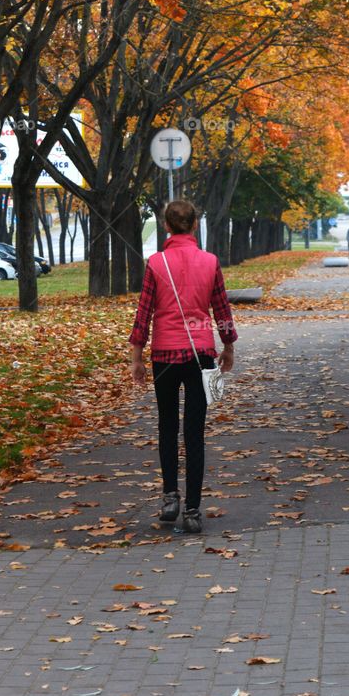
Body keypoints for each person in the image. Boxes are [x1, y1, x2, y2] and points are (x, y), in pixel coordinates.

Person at [129, 199, 237, 535]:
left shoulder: (156, 263)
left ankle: (169, 497)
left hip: (163, 356)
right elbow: (221, 308)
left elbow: (143, 313)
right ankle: (192, 510)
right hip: (200, 354)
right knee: (194, 433)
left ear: (166, 226)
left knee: (166, 427)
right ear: (193, 226)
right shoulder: (210, 262)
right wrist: (228, 344)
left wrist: (136, 356)